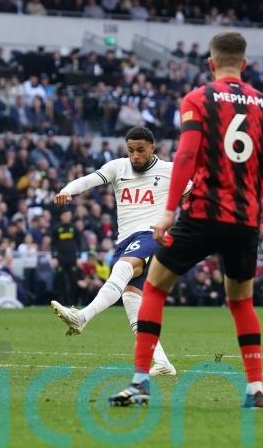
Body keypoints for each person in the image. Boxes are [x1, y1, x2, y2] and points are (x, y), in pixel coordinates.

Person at [109, 32, 263, 408]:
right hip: (245, 222)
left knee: (155, 288)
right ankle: (256, 389)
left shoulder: (198, 99)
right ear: (245, 64)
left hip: (201, 216)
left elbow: (186, 156)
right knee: (241, 303)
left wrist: (168, 212)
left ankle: (141, 381)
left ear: (211, 64)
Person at [50, 127, 179, 376]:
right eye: (131, 150)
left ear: (152, 148)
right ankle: (163, 363)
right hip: (126, 241)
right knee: (131, 299)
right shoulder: (118, 167)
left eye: (141, 150)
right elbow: (88, 180)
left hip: (152, 235)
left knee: (122, 268)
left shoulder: (169, 170)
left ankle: (82, 317)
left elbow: (194, 193)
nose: (135, 156)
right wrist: (67, 190)